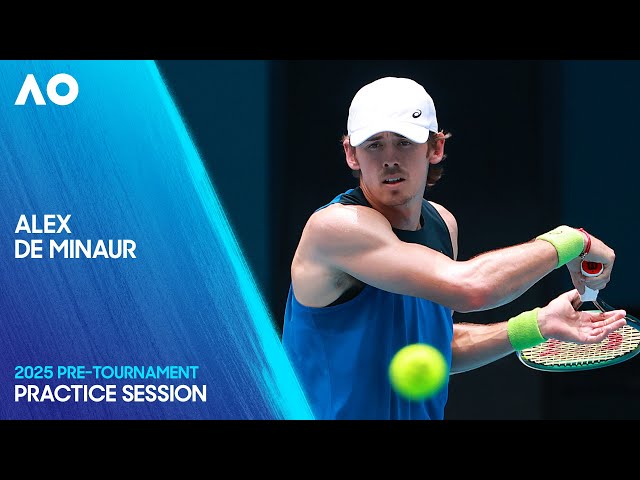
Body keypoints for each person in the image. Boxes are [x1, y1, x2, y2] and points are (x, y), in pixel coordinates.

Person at [281, 76, 626, 420]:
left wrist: (536, 324)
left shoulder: (442, 224)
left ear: (436, 148)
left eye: (404, 142)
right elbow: (472, 288)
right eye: (373, 144)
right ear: (351, 154)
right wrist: (570, 240)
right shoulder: (336, 228)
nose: (389, 159)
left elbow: (438, 346)